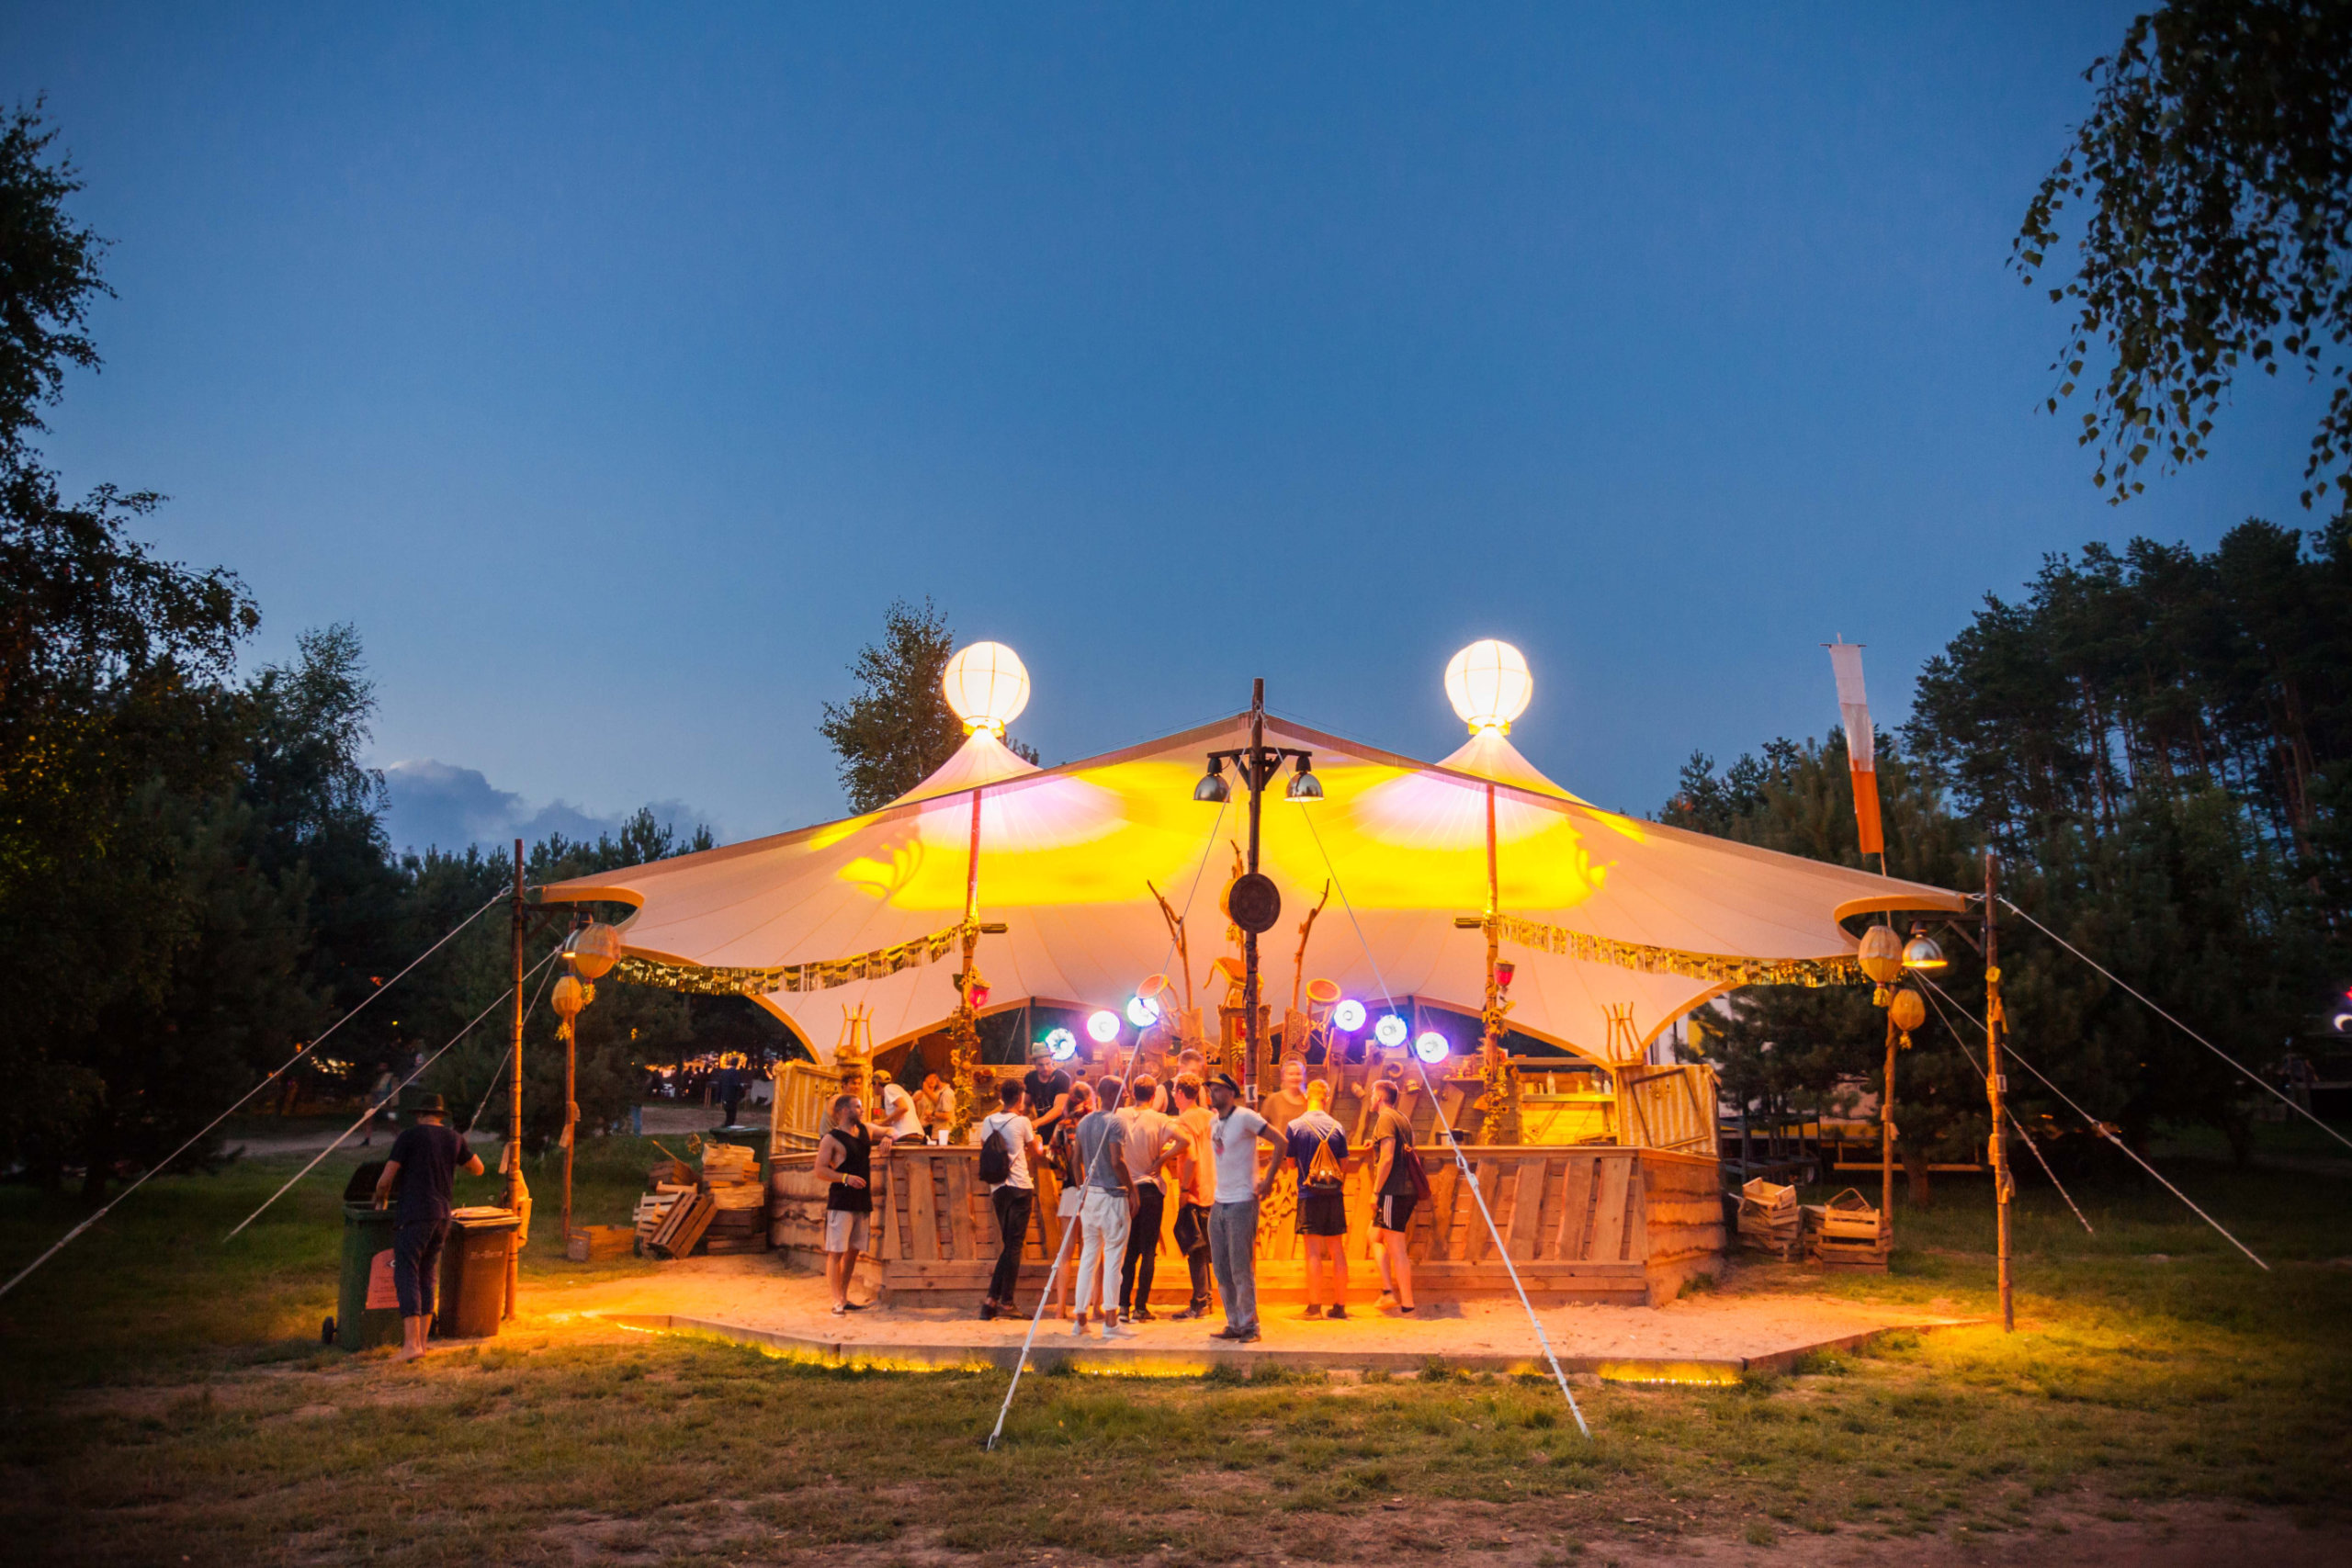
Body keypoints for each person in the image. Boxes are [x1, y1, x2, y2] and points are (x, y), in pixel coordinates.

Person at [371, 1093, 485, 1363]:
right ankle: (422, 1342)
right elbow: (478, 1169)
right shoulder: (454, 1138)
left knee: (407, 1273)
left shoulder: (409, 1137)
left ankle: (411, 1345)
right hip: (442, 1216)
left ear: (420, 1115)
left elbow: (385, 1179)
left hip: (415, 1214)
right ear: (440, 1116)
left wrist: (380, 1196)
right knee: (427, 1275)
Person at [1205, 1072, 1284, 1342]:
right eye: (1210, 1089)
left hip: (1241, 1199)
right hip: (1219, 1200)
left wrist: (1269, 1177)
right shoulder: (1213, 1121)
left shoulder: (1246, 1117)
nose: (1212, 1093)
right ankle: (1234, 1322)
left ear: (1230, 1092)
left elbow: (1281, 1142)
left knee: (1240, 1266)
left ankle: (1250, 1325)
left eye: (1217, 1089)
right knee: (1221, 1267)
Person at [1069, 1076, 1139, 1337]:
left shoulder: (1085, 1122)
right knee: (1113, 1260)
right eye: (1122, 1093)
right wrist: (1133, 1190)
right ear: (1111, 1094)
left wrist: (1081, 1189)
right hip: (1112, 1196)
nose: (1125, 1098)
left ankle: (1080, 1318)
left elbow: (1075, 1159)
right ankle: (1111, 1320)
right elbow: (1117, 1160)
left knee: (1088, 1257)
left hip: (1091, 1198)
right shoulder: (1116, 1122)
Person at [813, 1091, 893, 1315]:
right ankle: (836, 1300)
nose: (862, 1110)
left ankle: (845, 1296)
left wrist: (888, 1138)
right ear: (844, 1111)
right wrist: (845, 1178)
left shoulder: (865, 1130)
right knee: (835, 1251)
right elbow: (820, 1169)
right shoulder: (831, 1138)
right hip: (841, 1201)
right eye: (858, 1107)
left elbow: (892, 1130)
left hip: (862, 1200)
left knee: (853, 1251)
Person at [1116, 1073, 1186, 1322]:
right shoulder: (1159, 1118)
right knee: (1148, 1250)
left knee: (1130, 1250)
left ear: (1133, 1093)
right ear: (1155, 1095)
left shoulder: (1120, 1115)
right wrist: (1163, 1159)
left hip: (1126, 1189)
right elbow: (1184, 1140)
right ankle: (1141, 1308)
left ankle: (1122, 1306)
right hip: (1150, 1188)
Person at [976, 1080, 1045, 1320]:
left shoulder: (988, 1121)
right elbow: (1036, 1151)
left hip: (998, 1188)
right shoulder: (1023, 1122)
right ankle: (1005, 1302)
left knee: (1009, 1247)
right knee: (1013, 1247)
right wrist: (1038, 1141)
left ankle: (991, 1301)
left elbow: (985, 1147)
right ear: (1019, 1097)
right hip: (1019, 1186)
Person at [1284, 1080, 1351, 1318]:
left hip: (1309, 1193)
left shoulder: (1295, 1126)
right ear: (1327, 1097)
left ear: (1306, 1097)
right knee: (1337, 1249)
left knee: (1312, 1250)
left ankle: (1314, 1307)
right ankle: (1340, 1306)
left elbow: (1291, 1163)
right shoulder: (1338, 1127)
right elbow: (1344, 1164)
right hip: (1334, 1193)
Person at [1167, 1073, 1217, 1319]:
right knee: (1207, 1248)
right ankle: (1208, 1299)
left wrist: (1185, 1189)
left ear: (1179, 1093)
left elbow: (1192, 1156)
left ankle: (1199, 1303)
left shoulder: (1184, 1121)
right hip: (1214, 1189)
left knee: (1195, 1247)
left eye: (1173, 1090)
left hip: (1196, 1191)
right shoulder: (1211, 1117)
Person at [1367, 1080, 1419, 1314]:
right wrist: (1375, 1143)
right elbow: (1403, 1148)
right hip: (1406, 1189)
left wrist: (1377, 1191)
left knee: (1396, 1246)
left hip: (1392, 1191)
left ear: (1379, 1096)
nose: (1370, 1098)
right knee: (1373, 1235)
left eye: (1371, 1095)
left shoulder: (1385, 1119)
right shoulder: (1402, 1118)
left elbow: (1387, 1158)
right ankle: (1388, 1291)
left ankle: (1406, 1302)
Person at [1023, 1041, 1078, 1143]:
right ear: (1033, 1063)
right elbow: (1026, 1104)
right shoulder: (1030, 1078)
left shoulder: (1062, 1078)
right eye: (1040, 1065)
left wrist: (1036, 1123)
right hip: (1042, 1130)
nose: (1045, 1068)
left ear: (1052, 1060)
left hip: (1062, 1130)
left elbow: (1059, 1108)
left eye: (1048, 1063)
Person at [1259, 1056, 1311, 1137]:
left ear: (1304, 1077)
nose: (1294, 1077)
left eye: (1298, 1074)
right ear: (1283, 1077)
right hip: (1281, 1147)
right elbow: (1261, 1127)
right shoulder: (1273, 1100)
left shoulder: (1311, 1101)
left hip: (1304, 1147)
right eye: (1291, 1074)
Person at [874, 1069, 923, 1143]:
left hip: (906, 1133)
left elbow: (903, 1108)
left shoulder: (889, 1088)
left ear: (876, 1083)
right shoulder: (898, 1090)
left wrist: (882, 1122)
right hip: (915, 1133)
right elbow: (899, 1116)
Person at [359, 1066, 398, 1147]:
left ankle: (399, 1139)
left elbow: (394, 1095)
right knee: (369, 1120)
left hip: (389, 1107)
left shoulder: (391, 1079)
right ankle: (367, 1139)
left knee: (393, 1124)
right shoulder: (377, 1080)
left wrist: (393, 1106)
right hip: (376, 1106)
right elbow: (374, 1093)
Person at [915, 1069, 956, 1144]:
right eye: (929, 1077)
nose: (932, 1080)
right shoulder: (919, 1094)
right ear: (924, 1080)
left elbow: (940, 1106)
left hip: (937, 1128)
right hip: (922, 1127)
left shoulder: (941, 1093)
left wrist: (927, 1091)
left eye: (935, 1078)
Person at [715, 1055, 746, 1127]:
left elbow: (719, 1086)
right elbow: (738, 1085)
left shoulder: (724, 1073)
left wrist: (718, 1100)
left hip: (725, 1097)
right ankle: (726, 1129)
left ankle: (725, 1127)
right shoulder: (736, 1073)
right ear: (737, 1063)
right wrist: (741, 1095)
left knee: (728, 1114)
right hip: (732, 1097)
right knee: (732, 1117)